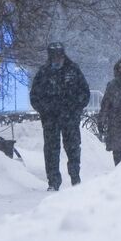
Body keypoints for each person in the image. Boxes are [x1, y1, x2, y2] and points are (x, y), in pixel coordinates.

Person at [29, 42, 91, 190]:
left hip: (70, 119)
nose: (56, 58)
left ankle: (75, 178)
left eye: (59, 55)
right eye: (53, 56)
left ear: (63, 55)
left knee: (73, 149)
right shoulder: (44, 72)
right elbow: (35, 96)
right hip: (50, 119)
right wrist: (45, 110)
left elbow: (84, 93)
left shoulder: (73, 70)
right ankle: (53, 182)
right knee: (51, 150)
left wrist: (75, 108)